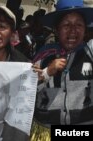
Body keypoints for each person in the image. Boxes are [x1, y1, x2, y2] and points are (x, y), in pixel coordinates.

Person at [32, 0, 93, 140]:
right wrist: (47, 72)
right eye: (66, 24)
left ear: (85, 29)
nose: (73, 30)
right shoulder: (44, 55)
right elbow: (26, 89)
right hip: (46, 132)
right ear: (56, 29)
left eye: (78, 24)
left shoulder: (90, 52)